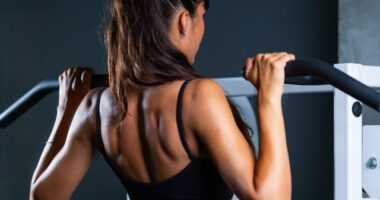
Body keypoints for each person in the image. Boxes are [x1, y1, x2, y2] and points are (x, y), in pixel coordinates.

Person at [30, 0, 294, 199]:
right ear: (183, 21)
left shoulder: (94, 107)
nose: (202, 27)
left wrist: (66, 110)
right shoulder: (198, 97)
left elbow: (41, 195)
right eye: (201, 15)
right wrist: (269, 95)